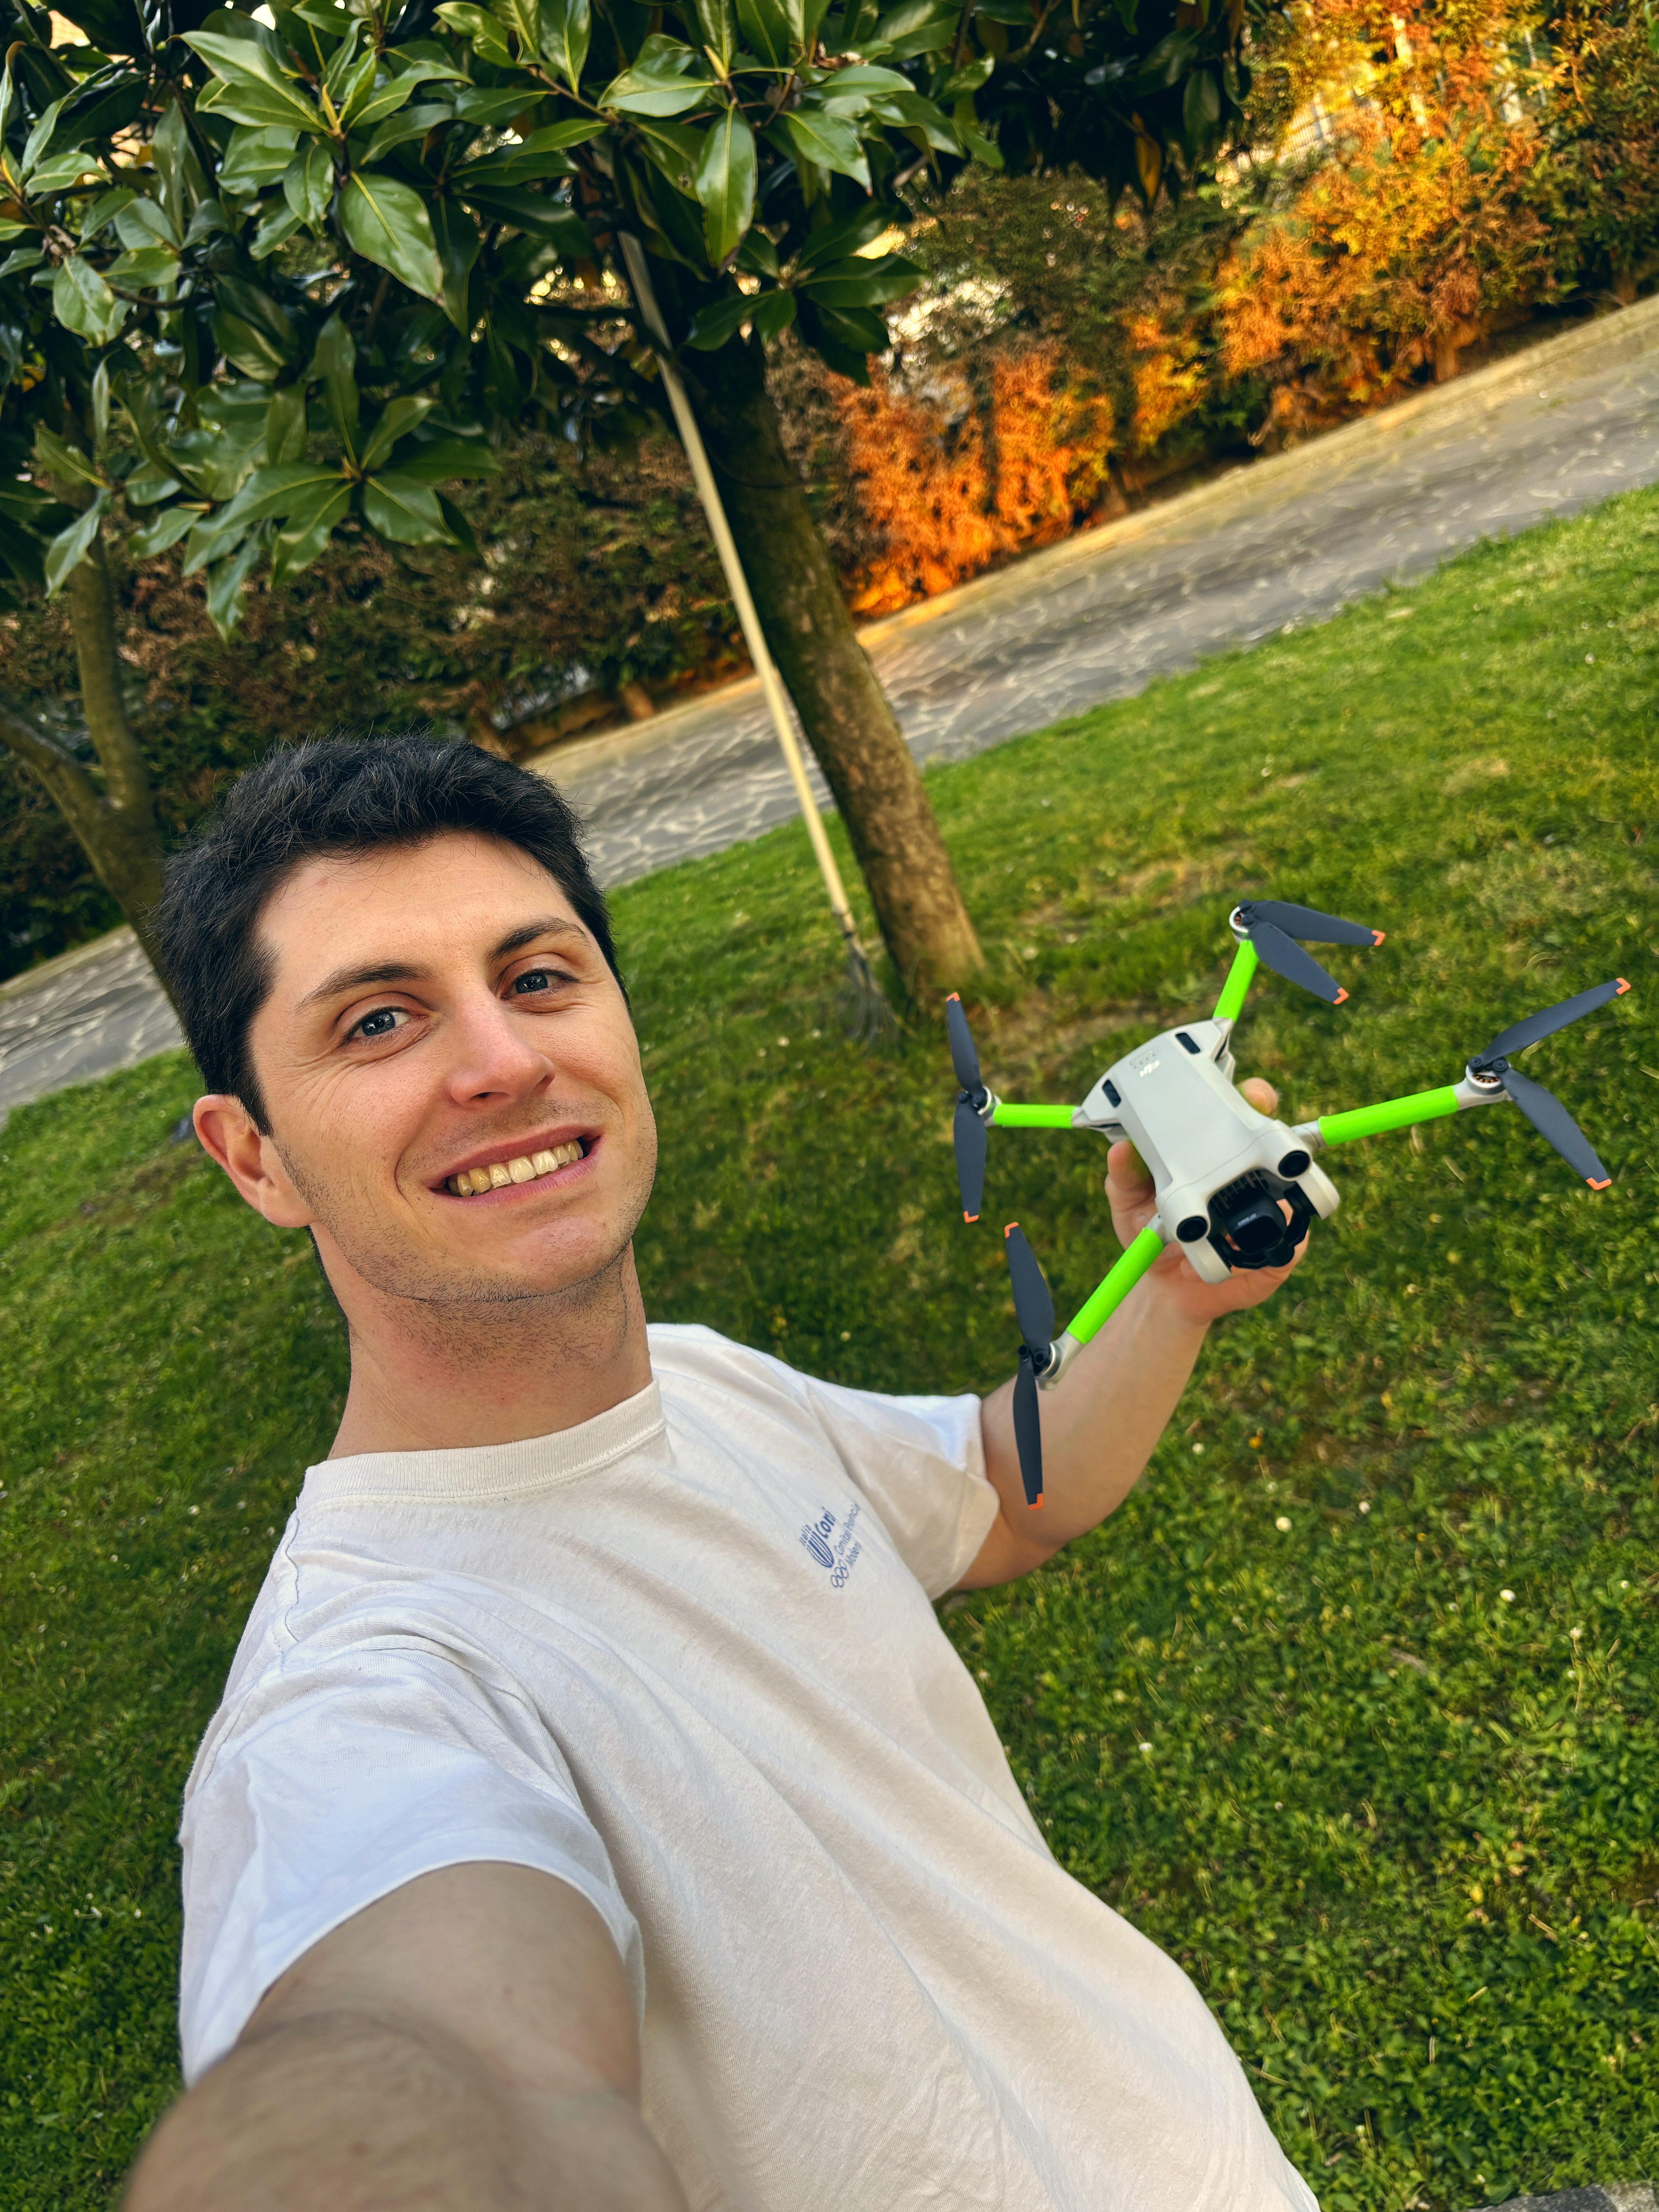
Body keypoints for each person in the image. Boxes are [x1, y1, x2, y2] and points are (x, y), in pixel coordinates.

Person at [125, 735, 1317, 2212]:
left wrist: (1183, 1289)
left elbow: (1006, 1493)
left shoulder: (698, 1378)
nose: (501, 1061)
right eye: (378, 1022)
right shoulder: (361, 1701)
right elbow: (423, 2050)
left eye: (539, 976)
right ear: (254, 1159)